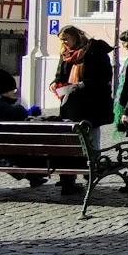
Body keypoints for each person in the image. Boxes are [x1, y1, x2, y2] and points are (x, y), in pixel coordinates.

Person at [49, 25, 113, 195]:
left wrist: (83, 84)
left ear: (76, 37)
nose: (63, 43)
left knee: (91, 138)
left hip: (91, 103)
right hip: (71, 104)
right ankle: (69, 179)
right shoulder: (66, 54)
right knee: (71, 140)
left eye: (66, 39)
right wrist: (56, 83)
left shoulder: (93, 51)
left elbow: (105, 77)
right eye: (61, 40)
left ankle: (90, 172)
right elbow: (60, 74)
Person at [0, 69, 45, 187]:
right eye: (13, 90)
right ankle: (61, 180)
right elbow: (24, 116)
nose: (14, 93)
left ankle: (33, 176)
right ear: (5, 91)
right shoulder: (9, 109)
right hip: (4, 152)